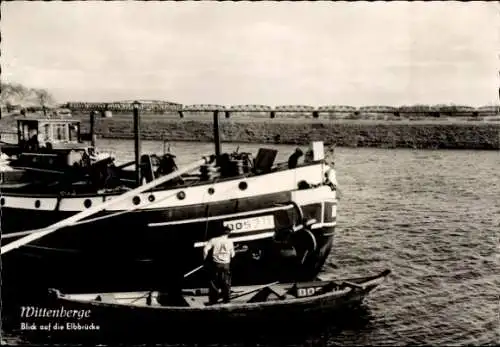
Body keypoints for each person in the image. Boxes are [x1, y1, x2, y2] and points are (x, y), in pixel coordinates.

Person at [203, 226, 235, 304]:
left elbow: (205, 249)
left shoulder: (213, 240)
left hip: (216, 264)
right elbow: (232, 254)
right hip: (226, 264)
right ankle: (226, 300)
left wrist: (205, 259)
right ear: (229, 233)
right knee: (226, 282)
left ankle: (213, 300)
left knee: (214, 282)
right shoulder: (230, 241)